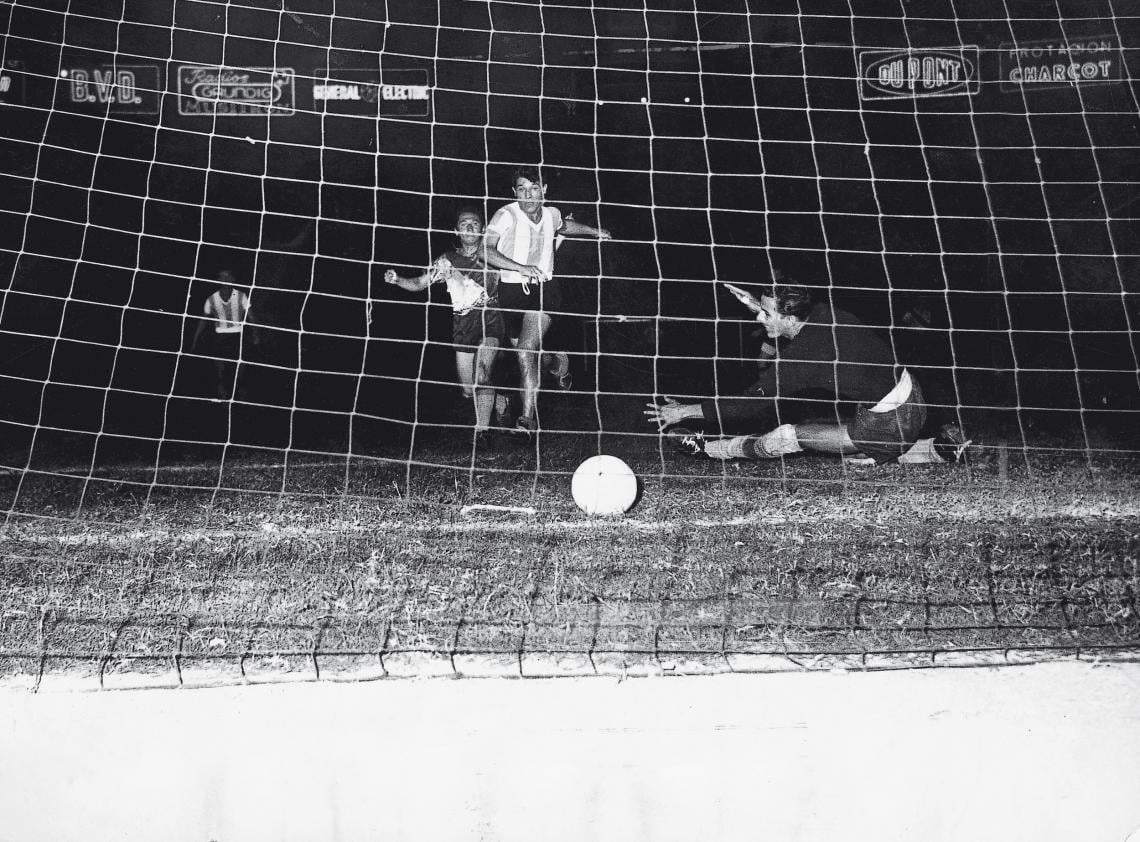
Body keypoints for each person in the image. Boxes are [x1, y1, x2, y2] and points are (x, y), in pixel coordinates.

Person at [646, 281, 972, 464]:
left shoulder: (805, 356)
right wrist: (752, 303)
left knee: (790, 436)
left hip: (888, 422)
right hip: (912, 397)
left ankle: (710, 449)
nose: (760, 320)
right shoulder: (822, 312)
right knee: (854, 452)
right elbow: (784, 314)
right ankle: (938, 449)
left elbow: (750, 403)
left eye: (765, 314)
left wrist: (684, 411)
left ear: (789, 318)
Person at [484, 167, 611, 438]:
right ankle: (556, 363)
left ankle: (526, 420)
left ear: (545, 190)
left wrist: (594, 231)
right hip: (510, 292)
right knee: (528, 357)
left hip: (545, 289)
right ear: (514, 192)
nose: (528, 195)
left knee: (525, 350)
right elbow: (486, 250)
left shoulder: (551, 213)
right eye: (522, 189)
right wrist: (519, 267)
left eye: (534, 188)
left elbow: (564, 225)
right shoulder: (505, 215)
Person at [383, 206, 505, 448]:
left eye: (474, 223)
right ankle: (500, 401)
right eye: (464, 223)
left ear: (483, 229)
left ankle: (482, 432)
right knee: (468, 389)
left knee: (483, 374)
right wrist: (397, 280)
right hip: (463, 327)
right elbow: (419, 283)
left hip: (491, 322)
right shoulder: (446, 260)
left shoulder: (495, 255)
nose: (469, 226)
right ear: (456, 230)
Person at [190, 269, 256, 400]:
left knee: (240, 365)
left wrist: (256, 333)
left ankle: (239, 388)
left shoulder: (242, 296)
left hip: (237, 335)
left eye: (228, 276)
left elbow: (251, 317)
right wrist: (195, 339)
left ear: (233, 279)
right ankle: (222, 390)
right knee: (220, 366)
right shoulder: (211, 299)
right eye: (222, 277)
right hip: (220, 337)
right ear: (218, 280)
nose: (225, 279)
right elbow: (203, 320)